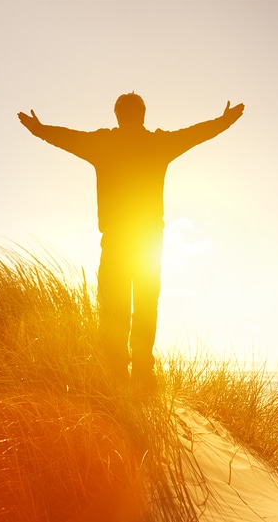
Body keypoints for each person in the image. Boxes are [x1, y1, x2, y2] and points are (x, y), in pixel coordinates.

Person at [19, 93, 244, 384]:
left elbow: (66, 138)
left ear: (117, 115)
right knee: (145, 307)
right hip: (148, 243)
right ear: (143, 114)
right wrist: (223, 122)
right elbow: (195, 134)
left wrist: (38, 129)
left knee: (115, 308)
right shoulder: (157, 144)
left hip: (117, 242)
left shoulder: (104, 144)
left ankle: (117, 373)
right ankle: (142, 373)